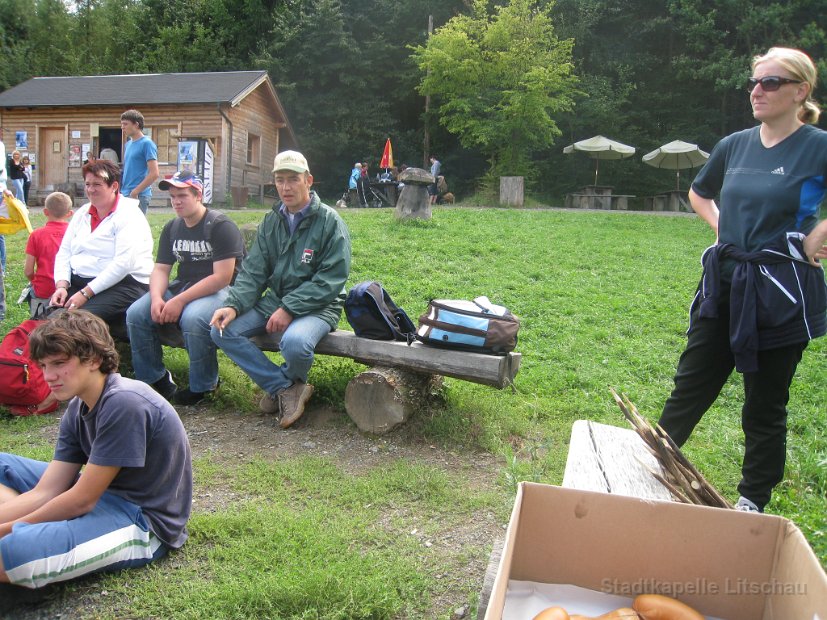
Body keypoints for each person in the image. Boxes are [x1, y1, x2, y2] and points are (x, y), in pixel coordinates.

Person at [658, 47, 827, 514]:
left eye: (770, 82)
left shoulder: (817, 146)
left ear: (800, 91)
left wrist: (819, 232)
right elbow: (699, 193)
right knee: (690, 386)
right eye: (754, 82)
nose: (757, 91)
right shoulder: (735, 144)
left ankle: (752, 503)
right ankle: (645, 467)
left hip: (781, 292)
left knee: (764, 406)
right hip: (726, 285)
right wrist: (722, 228)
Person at [0, 310, 192, 594]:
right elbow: (48, 490)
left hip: (141, 521)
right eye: (42, 365)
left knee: (9, 552)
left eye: (59, 363)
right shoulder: (79, 406)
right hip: (96, 497)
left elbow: (80, 501)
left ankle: (27, 540)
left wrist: (8, 529)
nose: (48, 376)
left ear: (94, 359)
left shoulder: (125, 402)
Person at [210, 150, 351, 428]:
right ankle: (285, 388)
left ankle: (282, 388)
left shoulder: (330, 221)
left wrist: (289, 308)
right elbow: (254, 271)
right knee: (221, 330)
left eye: (293, 179)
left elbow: (331, 279)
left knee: (295, 343)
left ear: (308, 180)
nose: (286, 187)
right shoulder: (271, 220)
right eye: (280, 180)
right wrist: (233, 304)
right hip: (275, 300)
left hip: (321, 305)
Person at [126, 170, 245, 406]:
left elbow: (222, 277)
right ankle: (154, 379)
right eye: (172, 197)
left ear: (198, 195)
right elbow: (161, 269)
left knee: (193, 318)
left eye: (182, 196)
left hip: (222, 290)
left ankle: (204, 387)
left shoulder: (220, 225)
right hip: (184, 285)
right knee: (136, 313)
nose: (176, 202)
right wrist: (158, 297)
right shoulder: (172, 227)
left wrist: (179, 301)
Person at [50, 159, 154, 326]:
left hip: (124, 284)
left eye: (97, 184)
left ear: (114, 186)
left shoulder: (129, 215)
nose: (90, 190)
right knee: (48, 318)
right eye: (87, 184)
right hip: (83, 281)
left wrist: (85, 293)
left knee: (72, 323)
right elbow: (64, 251)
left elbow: (123, 264)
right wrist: (62, 285)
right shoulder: (83, 213)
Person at [24, 192, 73, 318]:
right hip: (68, 291)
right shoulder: (75, 234)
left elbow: (28, 271)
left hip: (42, 290)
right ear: (70, 213)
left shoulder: (36, 235)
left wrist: (35, 282)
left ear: (45, 212)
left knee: (38, 325)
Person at [120, 109, 159, 215]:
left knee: (136, 229)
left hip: (139, 195)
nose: (122, 127)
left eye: (125, 124)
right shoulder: (128, 144)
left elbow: (154, 173)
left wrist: (136, 191)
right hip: (125, 193)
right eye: (121, 124)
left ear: (136, 124)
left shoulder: (147, 144)